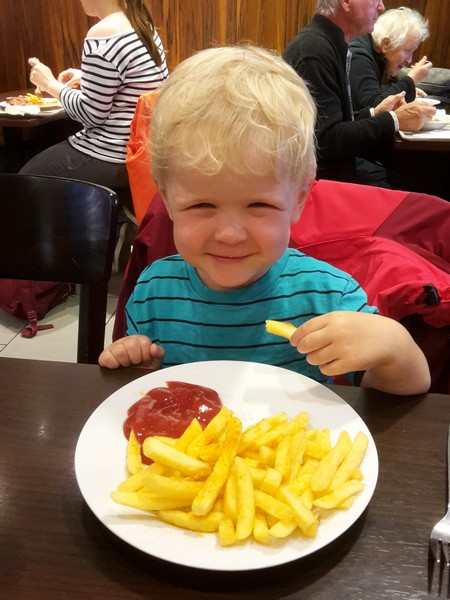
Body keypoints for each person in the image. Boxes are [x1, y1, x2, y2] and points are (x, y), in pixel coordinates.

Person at [99, 45, 430, 396]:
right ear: (167, 200)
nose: (229, 234)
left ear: (298, 199)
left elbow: (404, 390)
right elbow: (146, 388)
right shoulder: (153, 291)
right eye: (202, 205)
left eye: (258, 205)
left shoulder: (329, 295)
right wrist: (136, 362)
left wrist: (394, 348)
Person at [19, 0, 168, 199]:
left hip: (112, 153)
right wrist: (89, 78)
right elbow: (137, 82)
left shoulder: (103, 32)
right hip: (144, 151)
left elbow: (91, 115)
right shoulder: (141, 23)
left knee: (23, 182)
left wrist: (49, 84)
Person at [282, 0, 436, 188]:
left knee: (403, 178)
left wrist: (374, 113)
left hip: (333, 167)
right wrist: (394, 120)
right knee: (417, 189)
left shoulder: (329, 43)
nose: (381, 7)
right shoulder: (314, 51)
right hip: (314, 180)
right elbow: (325, 142)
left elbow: (333, 123)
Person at [349, 7, 432, 111]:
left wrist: (407, 89)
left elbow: (377, 92)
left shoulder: (376, 52)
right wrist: (411, 80)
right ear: (386, 44)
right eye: (407, 51)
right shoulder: (358, 56)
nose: (409, 60)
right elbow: (374, 109)